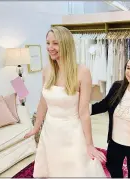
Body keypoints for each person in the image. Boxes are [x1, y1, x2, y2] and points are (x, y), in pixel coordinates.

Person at [24, 26, 106, 177]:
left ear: (66, 44)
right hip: (50, 130)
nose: (50, 48)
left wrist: (89, 144)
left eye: (55, 43)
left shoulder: (82, 72)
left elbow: (84, 112)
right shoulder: (47, 70)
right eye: (48, 43)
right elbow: (43, 103)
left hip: (72, 132)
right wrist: (36, 128)